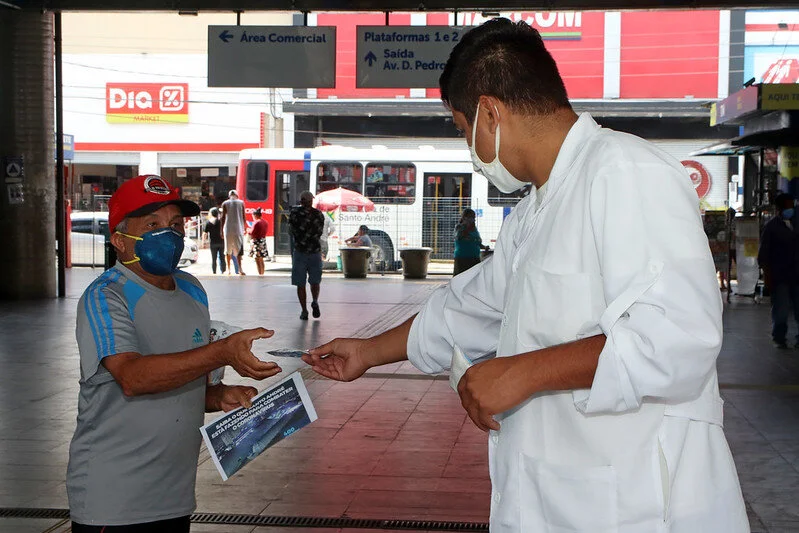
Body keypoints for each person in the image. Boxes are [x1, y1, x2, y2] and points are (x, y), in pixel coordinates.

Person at [303, 19, 747, 533]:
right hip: (562, 496)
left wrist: (521, 372)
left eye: (461, 126)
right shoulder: (540, 208)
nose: (468, 145)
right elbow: (473, 306)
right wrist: (368, 351)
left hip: (639, 505)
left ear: (490, 112)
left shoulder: (625, 171)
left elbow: (675, 338)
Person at [67, 175, 281, 532]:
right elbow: (133, 378)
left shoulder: (192, 290)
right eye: (152, 224)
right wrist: (222, 352)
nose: (168, 234)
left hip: (175, 496)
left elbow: (180, 380)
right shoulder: (106, 297)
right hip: (114, 500)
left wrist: (218, 396)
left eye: (175, 225)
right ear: (120, 241)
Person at [758, 193, 799, 348]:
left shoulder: (796, 222)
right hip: (780, 275)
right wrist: (767, 275)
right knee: (781, 310)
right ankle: (779, 337)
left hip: (797, 274)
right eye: (788, 206)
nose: (791, 208)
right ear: (780, 208)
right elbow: (764, 254)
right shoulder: (772, 227)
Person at [288, 191, 325, 320]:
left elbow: (291, 231)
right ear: (311, 201)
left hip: (300, 252)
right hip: (315, 252)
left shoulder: (294, 214)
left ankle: (304, 311)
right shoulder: (318, 215)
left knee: (300, 283)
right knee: (315, 281)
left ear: (301, 201)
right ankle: (315, 300)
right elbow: (319, 232)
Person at [453, 208, 487, 276]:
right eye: (471, 217)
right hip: (462, 259)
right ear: (465, 217)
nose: (473, 219)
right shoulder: (459, 227)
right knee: (461, 279)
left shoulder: (474, 228)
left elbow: (477, 242)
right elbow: (459, 237)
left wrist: (484, 247)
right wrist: (466, 226)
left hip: (474, 258)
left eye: (474, 217)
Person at [220, 189, 246, 275]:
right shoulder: (241, 203)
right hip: (239, 229)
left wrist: (221, 230)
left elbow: (223, 217)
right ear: (237, 195)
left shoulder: (225, 203)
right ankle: (240, 269)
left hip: (228, 229)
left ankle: (228, 269)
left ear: (229, 196)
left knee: (227, 249)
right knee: (239, 250)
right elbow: (244, 217)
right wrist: (244, 228)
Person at [203, 207, 225, 275]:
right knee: (222, 258)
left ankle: (214, 272)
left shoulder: (208, 222)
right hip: (221, 242)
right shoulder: (220, 222)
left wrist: (203, 242)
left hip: (213, 243)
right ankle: (223, 271)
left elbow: (205, 233)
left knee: (214, 259)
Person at [248, 207, 269, 276]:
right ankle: (262, 272)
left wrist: (248, 230)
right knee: (261, 259)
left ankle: (260, 273)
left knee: (257, 259)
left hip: (256, 242)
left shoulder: (256, 222)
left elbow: (252, 232)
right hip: (263, 241)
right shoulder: (265, 222)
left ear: (255, 215)